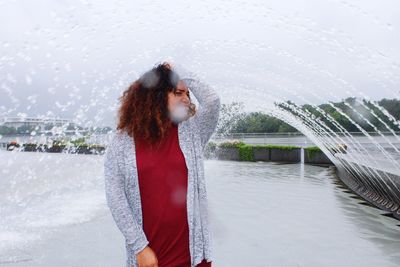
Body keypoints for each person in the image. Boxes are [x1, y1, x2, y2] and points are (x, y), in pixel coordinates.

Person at [104, 61, 221, 267]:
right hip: (150, 260)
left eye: (188, 94)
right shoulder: (122, 142)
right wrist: (139, 247)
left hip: (192, 258)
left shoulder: (192, 132)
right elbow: (115, 196)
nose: (186, 99)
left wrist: (179, 69)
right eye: (178, 93)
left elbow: (212, 101)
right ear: (156, 96)